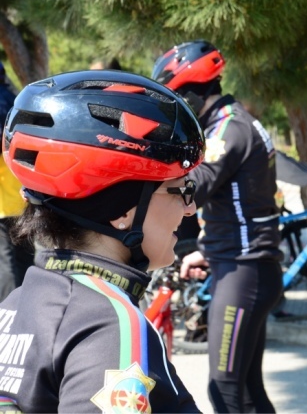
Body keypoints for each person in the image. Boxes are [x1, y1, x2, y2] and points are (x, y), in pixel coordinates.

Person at [0, 70, 204, 412]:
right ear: (121, 209)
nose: (191, 208)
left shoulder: (15, 306)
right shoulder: (109, 324)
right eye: (181, 190)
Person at [152, 39, 282, 413]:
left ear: (192, 93)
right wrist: (205, 251)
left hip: (245, 270)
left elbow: (197, 188)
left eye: (176, 97)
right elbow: (240, 204)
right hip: (247, 266)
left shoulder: (228, 128)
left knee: (224, 389)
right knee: (246, 391)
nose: (175, 108)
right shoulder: (233, 122)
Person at [0, 60, 34, 302]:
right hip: (24, 192)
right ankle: (26, 312)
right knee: (25, 260)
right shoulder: (13, 99)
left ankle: (6, 321)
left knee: (6, 263)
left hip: (4, 199)